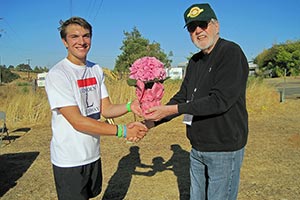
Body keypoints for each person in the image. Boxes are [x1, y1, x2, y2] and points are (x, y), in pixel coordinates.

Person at [144, 3, 249, 200]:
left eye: (203, 24)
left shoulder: (230, 52)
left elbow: (220, 101)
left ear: (216, 25)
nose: (198, 30)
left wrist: (173, 109)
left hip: (223, 148)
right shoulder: (194, 62)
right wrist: (151, 122)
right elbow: (183, 97)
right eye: (192, 27)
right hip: (197, 147)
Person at [45, 16, 147, 200]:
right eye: (74, 37)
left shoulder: (95, 69)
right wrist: (123, 131)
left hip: (92, 154)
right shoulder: (58, 74)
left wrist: (130, 106)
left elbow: (105, 109)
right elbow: (77, 121)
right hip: (69, 159)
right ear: (64, 42)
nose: (81, 42)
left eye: (86, 36)